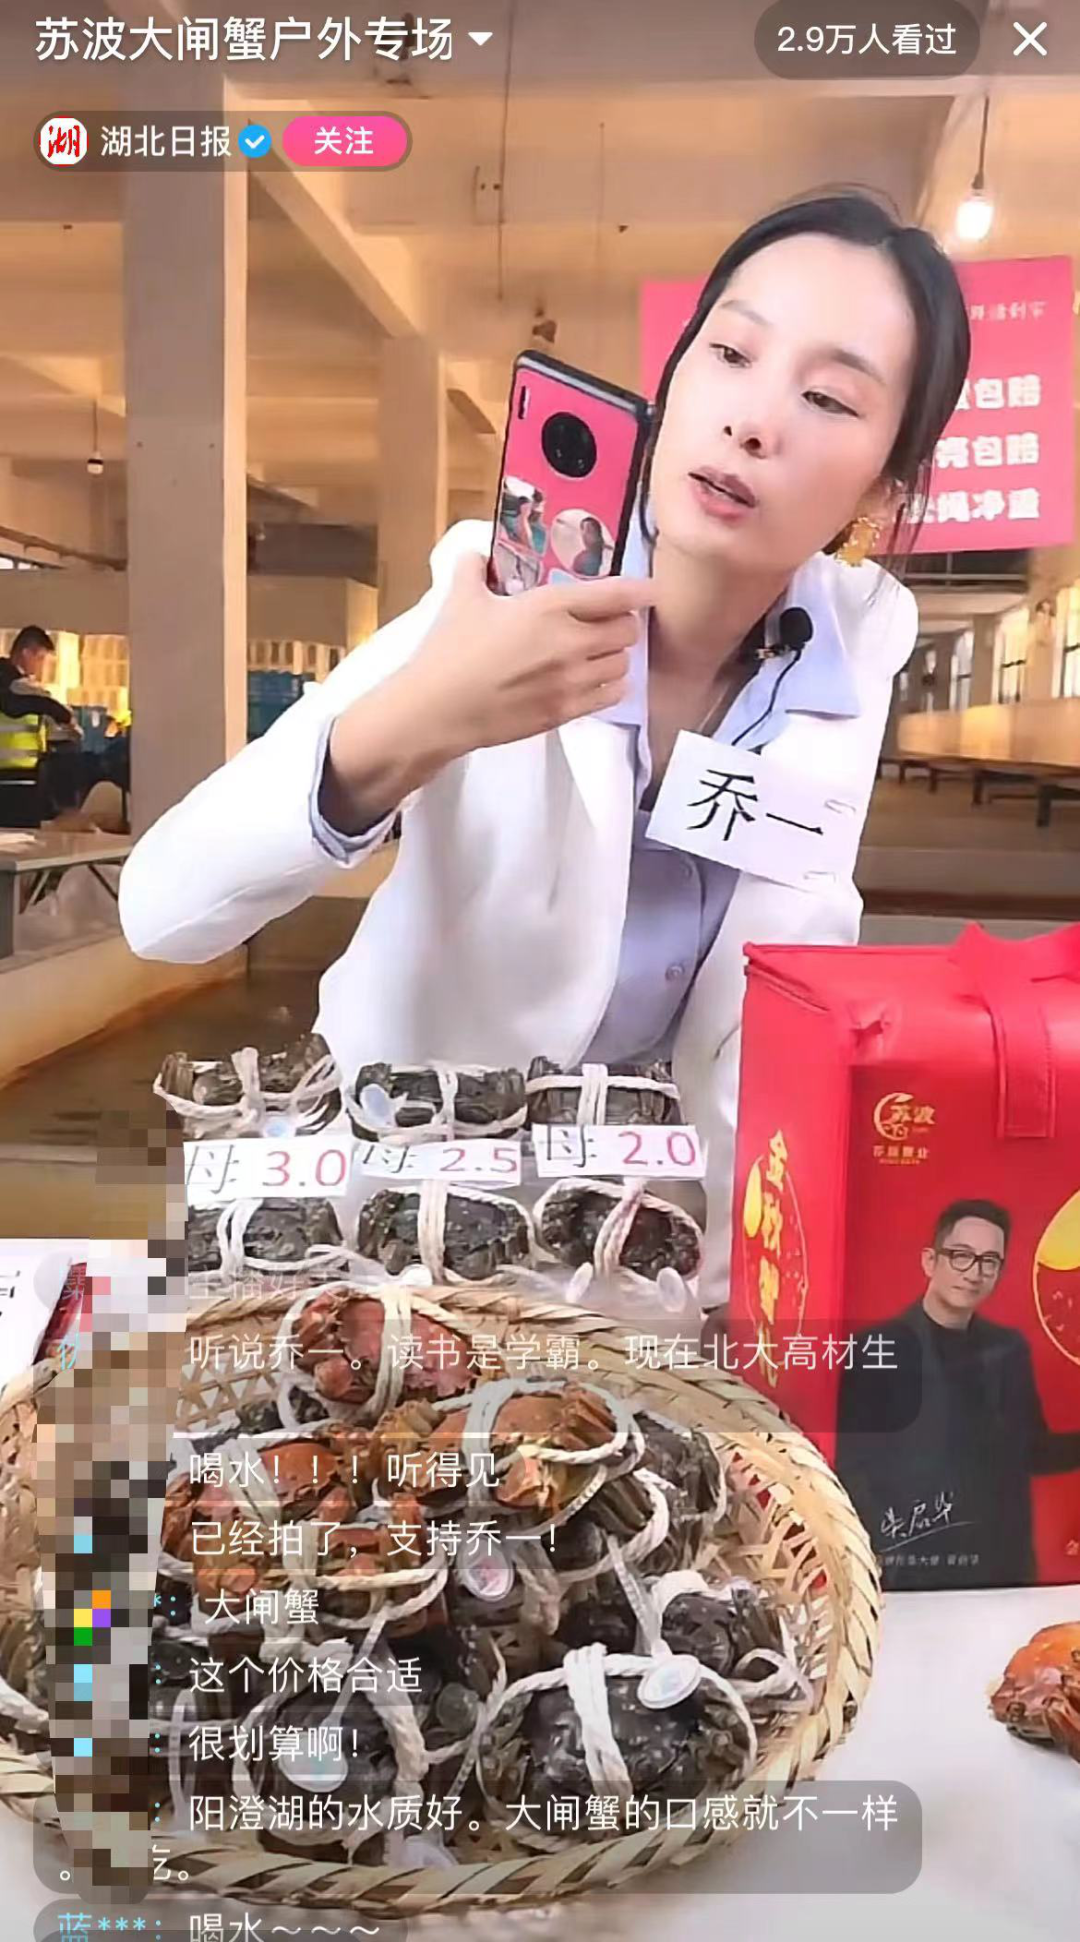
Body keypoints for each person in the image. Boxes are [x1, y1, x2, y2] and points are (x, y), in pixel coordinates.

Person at [119, 191, 970, 1309]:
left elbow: (783, 991)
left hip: (630, 1263)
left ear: (882, 491)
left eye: (827, 397)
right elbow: (164, 911)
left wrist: (744, 1295)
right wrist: (428, 715)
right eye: (730, 353)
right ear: (674, 378)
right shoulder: (497, 590)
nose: (753, 421)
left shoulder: (849, 657)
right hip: (391, 1240)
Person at [835, 1200, 1080, 1589]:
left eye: (989, 1261)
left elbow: (1031, 1450)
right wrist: (881, 1560)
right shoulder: (877, 1348)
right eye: (961, 1256)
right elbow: (853, 1469)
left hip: (1004, 1570)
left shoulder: (1009, 1348)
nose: (974, 1273)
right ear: (930, 1261)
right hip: (913, 1572)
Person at [0, 625, 81, 828]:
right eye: (41, 658)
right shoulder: (20, 688)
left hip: (16, 777)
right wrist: (64, 717)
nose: (41, 666)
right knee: (22, 839)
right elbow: (17, 706)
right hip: (18, 778)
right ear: (27, 653)